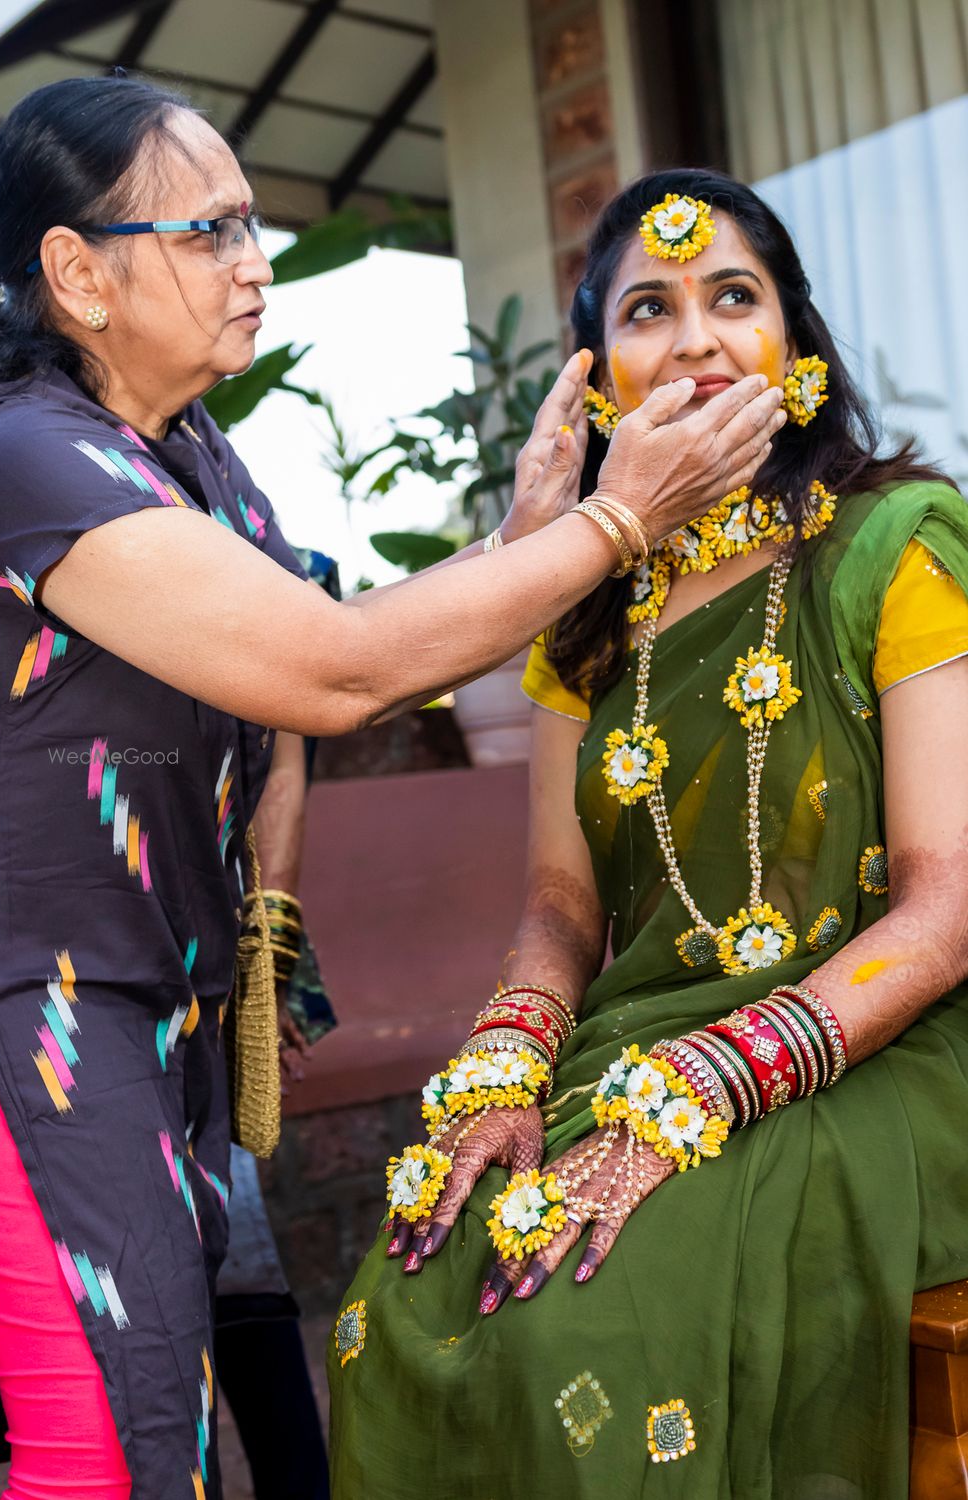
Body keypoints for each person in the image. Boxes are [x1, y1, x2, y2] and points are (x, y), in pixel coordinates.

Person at [0, 76, 783, 1500]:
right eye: (208, 229)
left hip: (146, 1006)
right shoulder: (28, 459)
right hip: (24, 1014)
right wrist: (614, 520)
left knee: (161, 1427)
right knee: (105, 1450)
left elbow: (364, 662)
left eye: (253, 223)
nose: (253, 261)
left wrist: (530, 530)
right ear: (77, 274)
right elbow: (336, 672)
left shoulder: (189, 459)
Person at [328, 169, 968, 1500]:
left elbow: (946, 904)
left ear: (792, 341)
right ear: (598, 379)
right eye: (647, 310)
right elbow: (563, 907)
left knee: (585, 1311)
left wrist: (718, 1080)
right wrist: (505, 1065)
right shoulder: (588, 615)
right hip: (648, 1043)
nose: (694, 337)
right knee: (421, 1274)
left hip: (887, 1046)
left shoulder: (897, 545)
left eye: (735, 296)